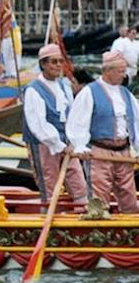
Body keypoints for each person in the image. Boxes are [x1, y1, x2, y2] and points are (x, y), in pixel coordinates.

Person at [66, 50, 139, 213]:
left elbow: (136, 122)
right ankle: (98, 227)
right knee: (99, 197)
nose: (124, 75)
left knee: (128, 194)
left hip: (123, 152)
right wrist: (80, 146)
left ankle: (129, 228)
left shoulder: (126, 93)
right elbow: (78, 122)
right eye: (121, 71)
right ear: (108, 71)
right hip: (99, 153)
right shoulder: (89, 92)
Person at [22, 44, 88, 206]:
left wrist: (74, 141)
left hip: (66, 143)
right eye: (53, 62)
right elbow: (38, 125)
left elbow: (72, 116)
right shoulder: (33, 90)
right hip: (44, 144)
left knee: (79, 184)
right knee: (49, 185)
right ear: (43, 64)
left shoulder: (64, 86)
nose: (58, 65)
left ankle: (82, 211)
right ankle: (48, 217)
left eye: (60, 61)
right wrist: (57, 144)